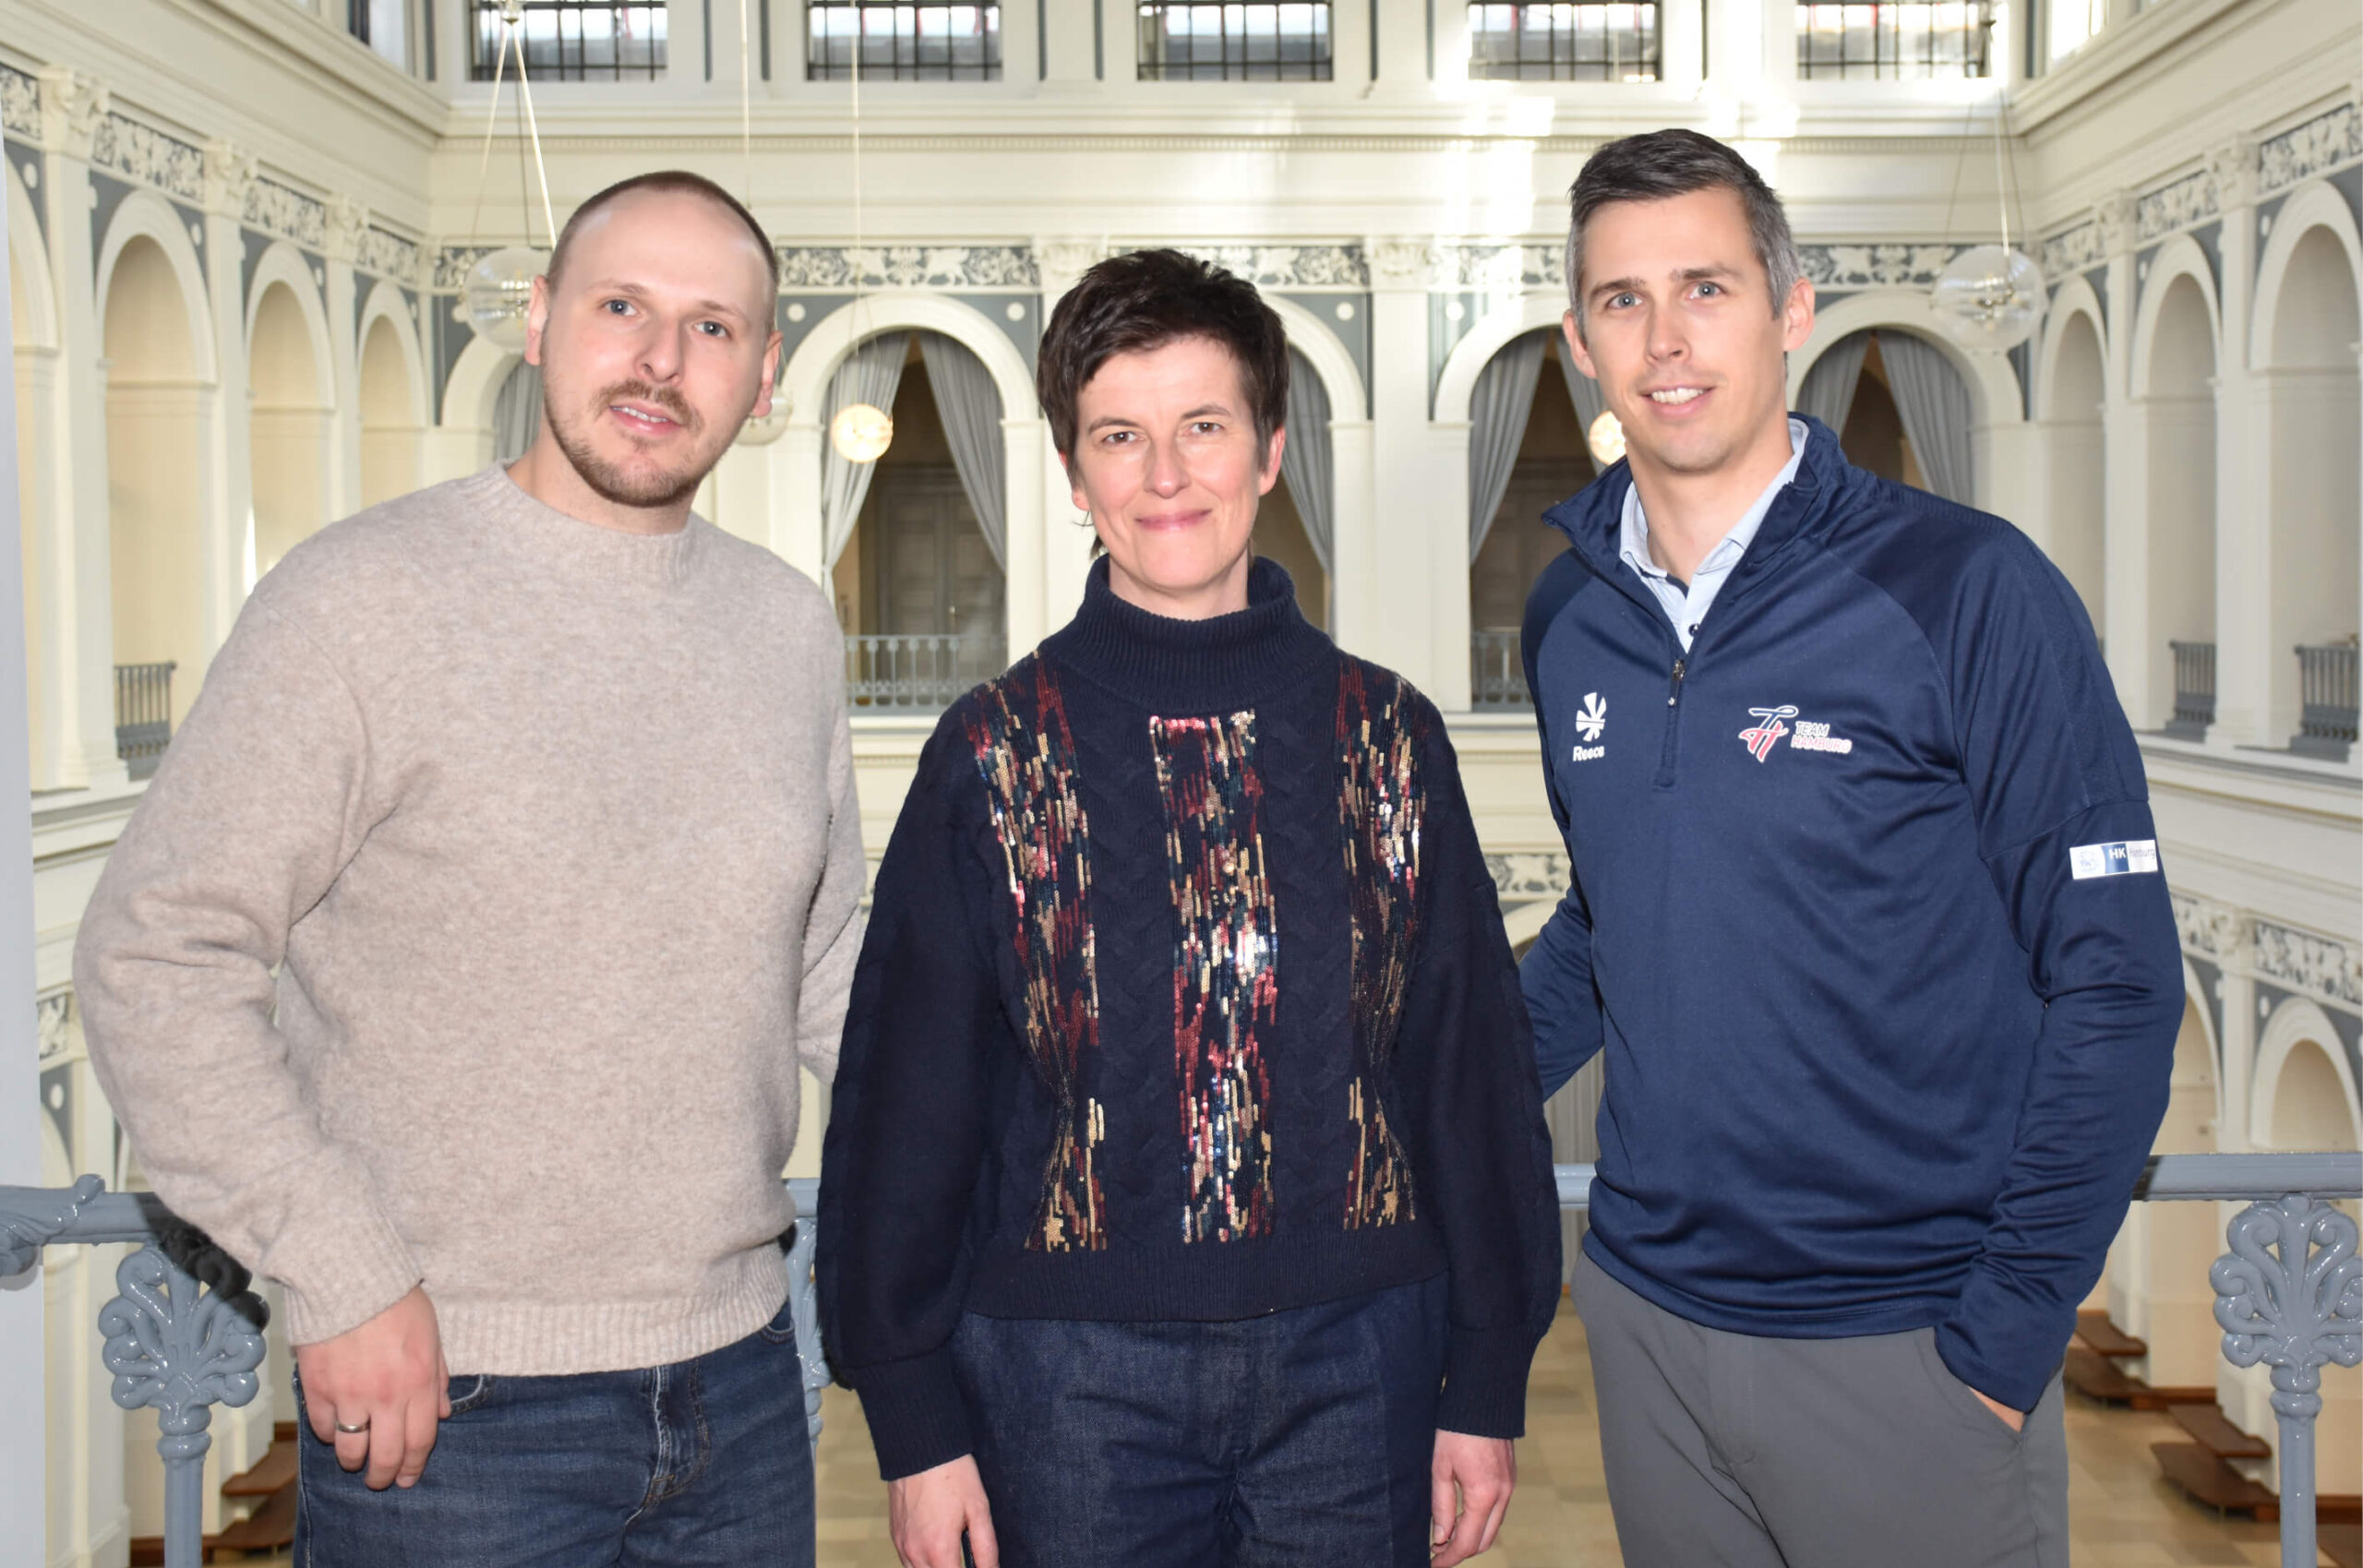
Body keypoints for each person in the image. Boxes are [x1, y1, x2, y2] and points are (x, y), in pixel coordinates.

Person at [75, 170, 860, 1567]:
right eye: (622, 306)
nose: (660, 362)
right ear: (540, 320)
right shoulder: (357, 600)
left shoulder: (787, 628)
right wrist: (341, 1273)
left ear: (764, 377)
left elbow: (826, 965)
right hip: (448, 1407)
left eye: (713, 329)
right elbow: (154, 956)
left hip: (743, 1385)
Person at [817, 247, 1561, 1568]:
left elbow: (1467, 1071)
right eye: (1121, 435)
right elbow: (909, 1098)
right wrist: (916, 1418)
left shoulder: (1388, 738)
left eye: (1203, 427)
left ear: (1270, 451)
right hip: (1065, 1382)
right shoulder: (990, 755)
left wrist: (1489, 1373)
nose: (1166, 475)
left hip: (1361, 1367)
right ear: (1072, 473)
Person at [1517, 126, 2184, 1567]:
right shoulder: (1570, 618)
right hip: (1645, 1332)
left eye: (1707, 286)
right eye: (1623, 300)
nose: (1666, 337)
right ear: (1579, 341)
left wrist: (2004, 1340)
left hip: (1909, 1350)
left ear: (1792, 308)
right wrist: (1414, 1080)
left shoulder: (1967, 590)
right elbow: (1608, 921)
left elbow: (2120, 983)